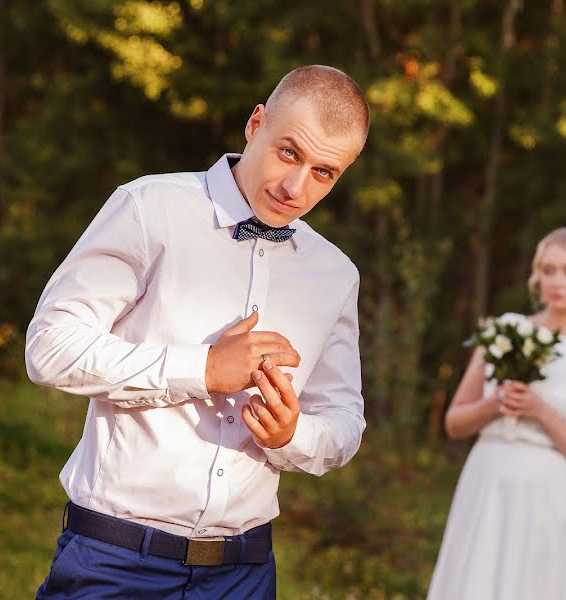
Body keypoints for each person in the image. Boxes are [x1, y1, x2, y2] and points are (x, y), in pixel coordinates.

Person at [25, 65, 369, 599]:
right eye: (289, 153)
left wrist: (290, 435)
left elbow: (345, 423)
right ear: (255, 124)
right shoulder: (149, 209)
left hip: (245, 573)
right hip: (115, 562)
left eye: (324, 173)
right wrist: (201, 369)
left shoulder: (335, 274)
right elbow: (49, 347)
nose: (295, 188)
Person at [428, 227, 566, 600]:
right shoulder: (506, 330)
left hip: (549, 496)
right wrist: (493, 405)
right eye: (548, 270)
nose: (557, 281)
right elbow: (454, 423)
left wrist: (540, 412)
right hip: (488, 482)